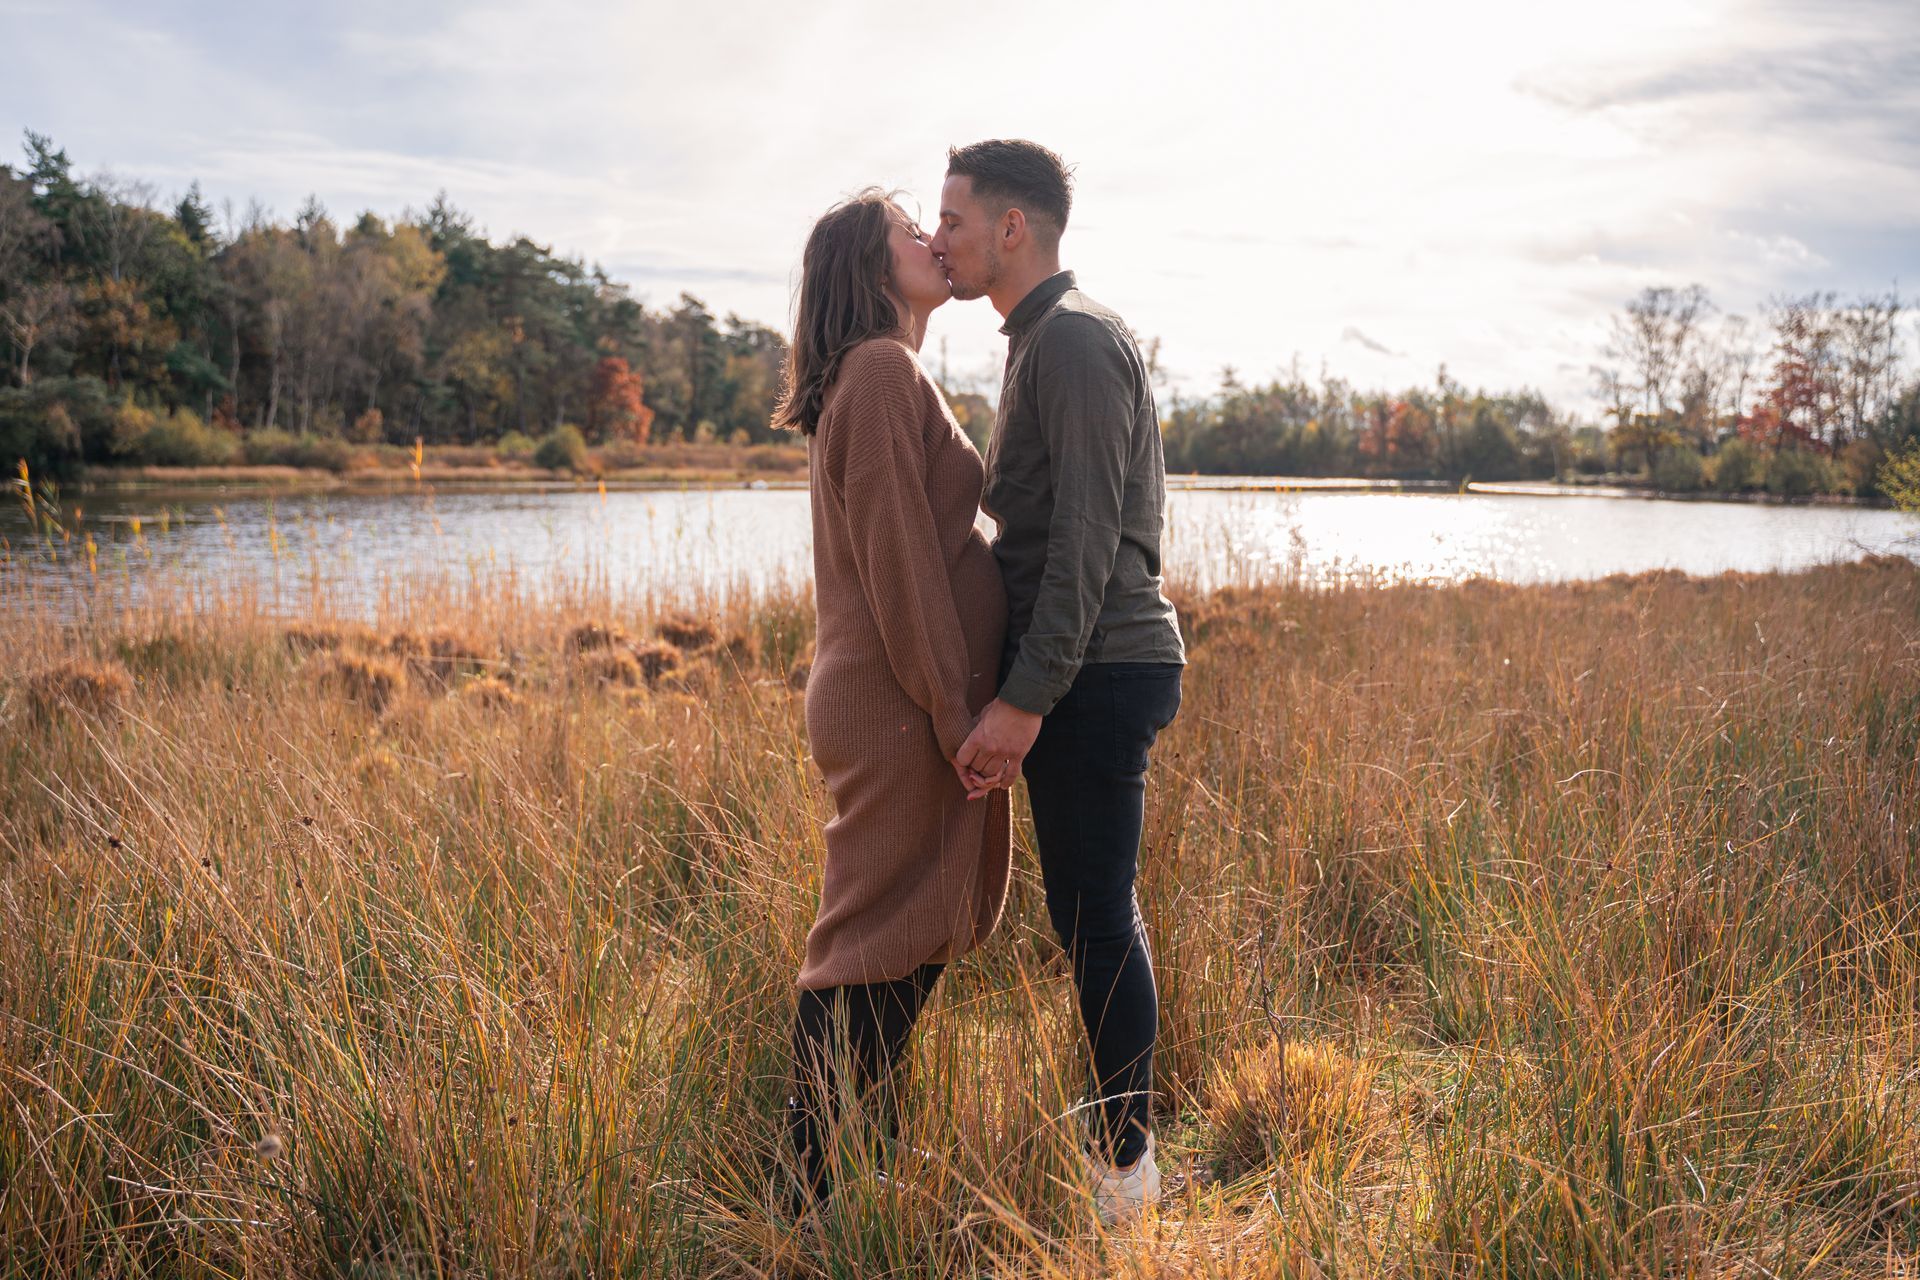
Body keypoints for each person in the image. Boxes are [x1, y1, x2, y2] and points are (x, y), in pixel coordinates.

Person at [931, 139, 1187, 1224]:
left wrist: (1025, 699)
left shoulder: (1073, 340)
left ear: (1011, 227)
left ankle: (1125, 1176)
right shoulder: (1040, 337)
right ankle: (1125, 1161)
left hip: (1099, 668)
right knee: (1089, 913)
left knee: (1096, 918)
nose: (937, 238)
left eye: (952, 219)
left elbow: (1083, 539)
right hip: (1087, 665)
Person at [773, 188, 1013, 1210]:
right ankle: (800, 1192)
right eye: (911, 231)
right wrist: (954, 712)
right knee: (867, 941)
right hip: (898, 706)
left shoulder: (881, 371)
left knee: (897, 938)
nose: (932, 240)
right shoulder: (876, 369)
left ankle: (840, 1178)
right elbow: (901, 562)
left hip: (901, 699)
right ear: (872, 269)